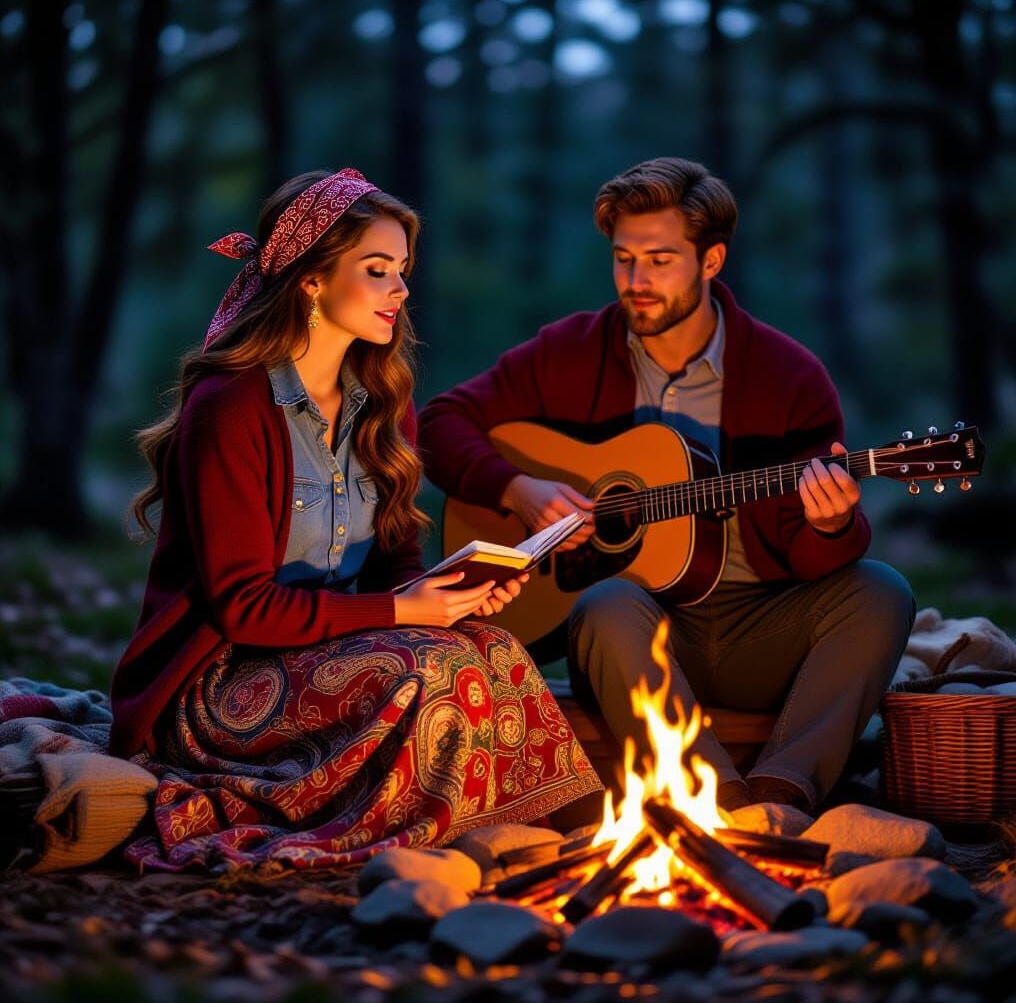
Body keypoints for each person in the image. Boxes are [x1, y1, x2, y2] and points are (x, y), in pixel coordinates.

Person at [109, 168, 600, 871]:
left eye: (401, 271)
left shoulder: (380, 400)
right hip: (222, 683)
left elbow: (396, 558)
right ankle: (430, 844)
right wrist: (405, 614)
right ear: (311, 278)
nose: (400, 290)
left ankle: (578, 833)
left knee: (492, 647)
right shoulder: (234, 406)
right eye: (378, 271)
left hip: (340, 654)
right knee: (430, 670)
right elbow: (243, 610)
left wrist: (450, 594)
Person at [418, 157, 915, 814]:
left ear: (711, 261)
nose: (636, 281)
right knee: (604, 602)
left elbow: (809, 556)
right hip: (631, 637)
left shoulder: (787, 376)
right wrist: (517, 489)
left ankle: (783, 792)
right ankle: (712, 801)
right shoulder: (571, 350)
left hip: (758, 626)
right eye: (623, 259)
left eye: (659, 260)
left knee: (882, 590)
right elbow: (440, 424)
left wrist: (831, 525)